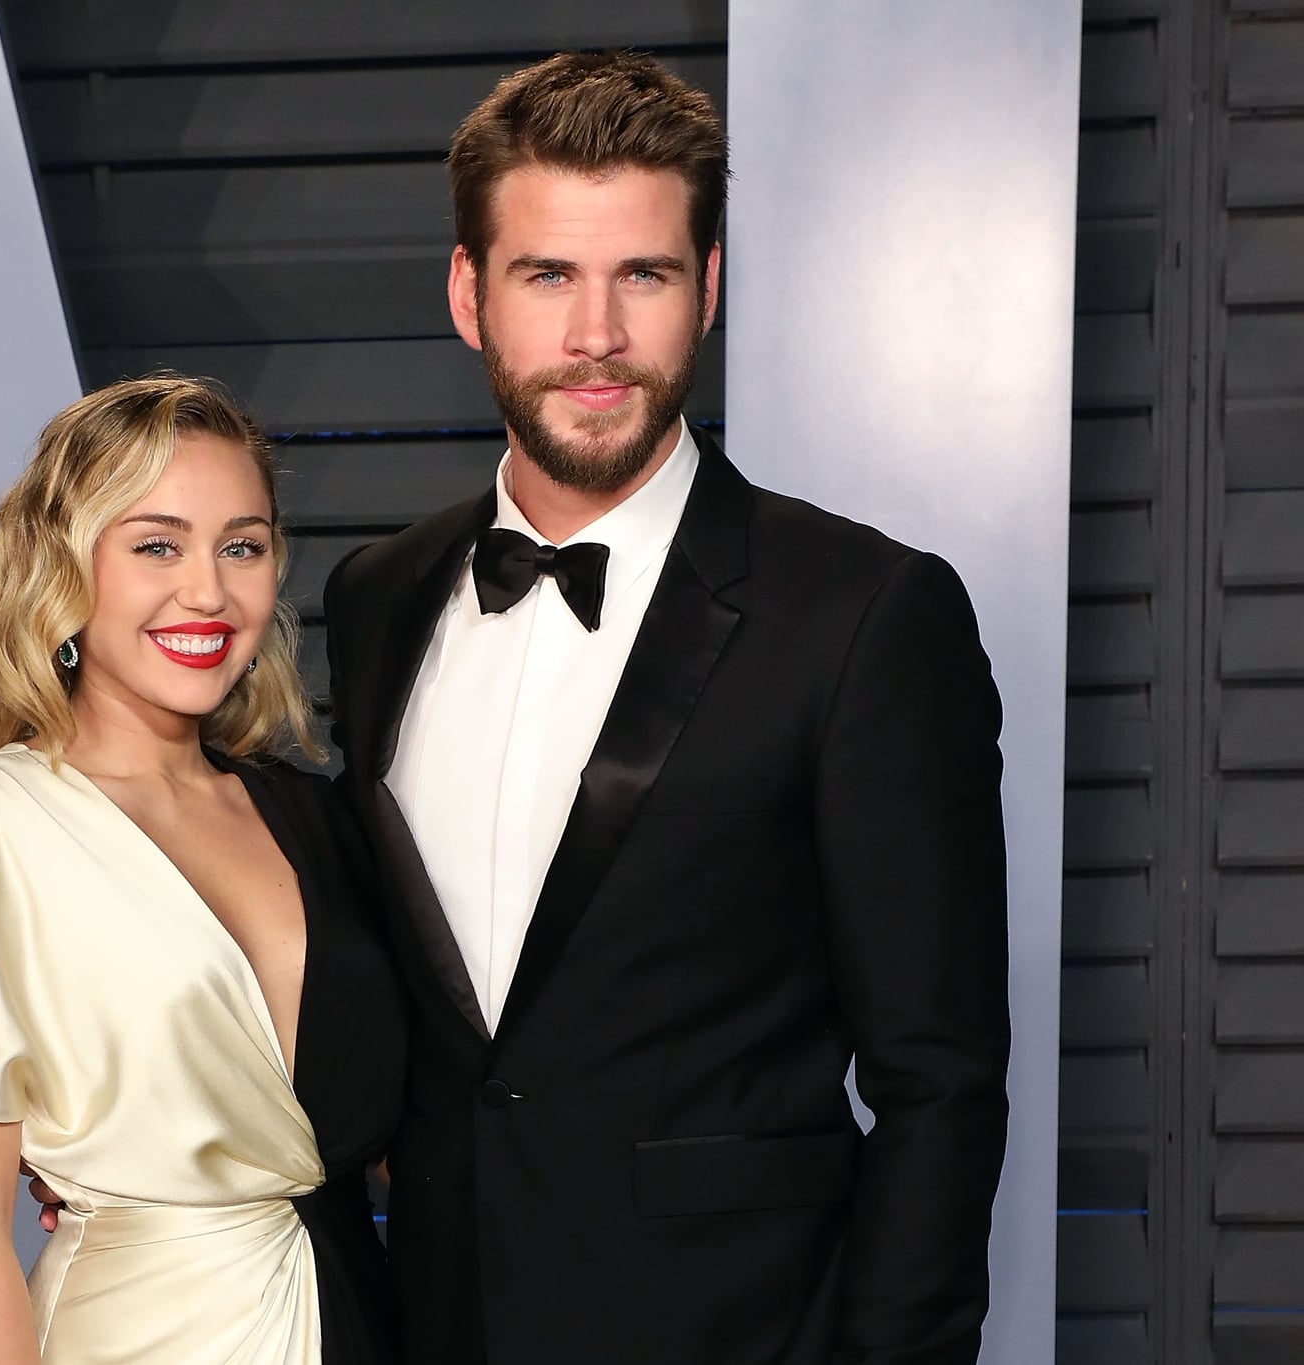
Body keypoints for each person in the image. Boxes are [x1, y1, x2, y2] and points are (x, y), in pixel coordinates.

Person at [317, 52, 1011, 1363]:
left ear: (708, 288)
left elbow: (941, 1084)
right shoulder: (376, 597)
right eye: (546, 276)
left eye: (641, 273)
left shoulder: (865, 617)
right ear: (470, 295)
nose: (595, 336)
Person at [0, 375, 404, 1365]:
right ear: (64, 569)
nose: (207, 590)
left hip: (360, 1319)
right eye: (156, 545)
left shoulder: (320, 819)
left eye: (241, 545)